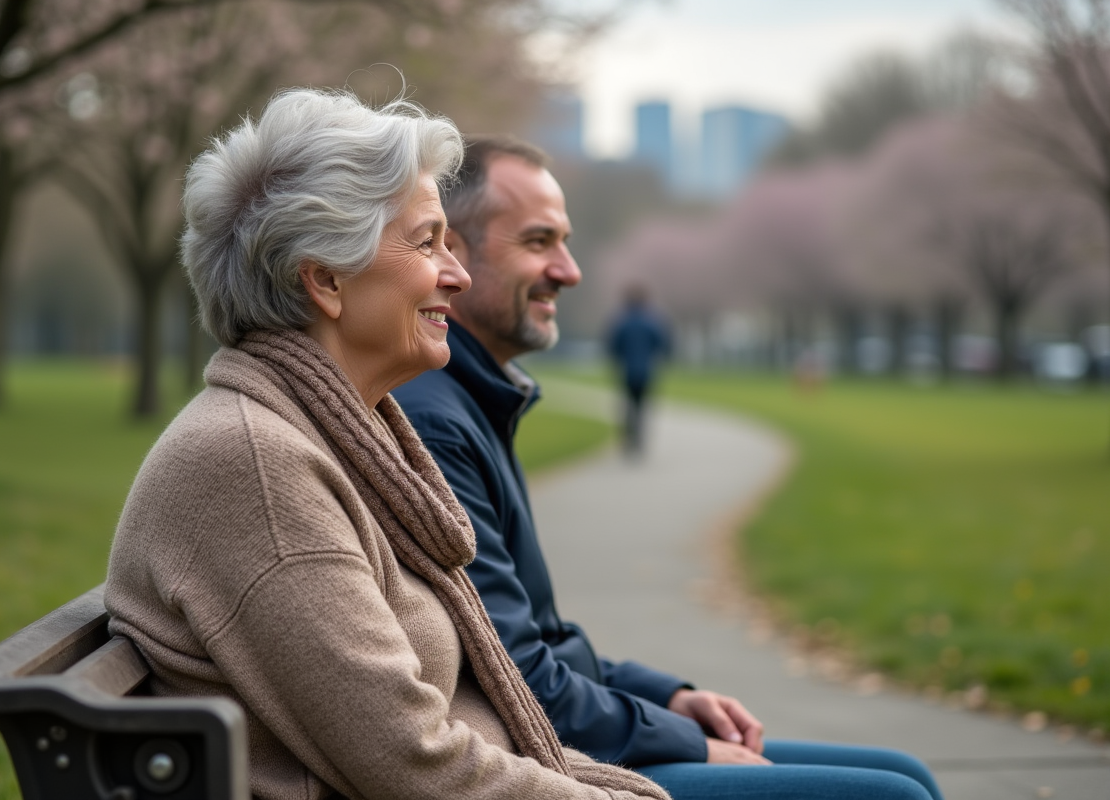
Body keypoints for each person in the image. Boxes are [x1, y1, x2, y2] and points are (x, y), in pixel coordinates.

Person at [104, 88, 673, 800]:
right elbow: (416, 767)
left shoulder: (323, 436)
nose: (457, 275)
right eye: (428, 241)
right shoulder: (255, 465)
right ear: (325, 280)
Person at [392, 136, 944, 800]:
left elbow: (544, 638)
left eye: (565, 242)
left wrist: (672, 698)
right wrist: (684, 743)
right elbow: (516, 676)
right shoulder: (435, 419)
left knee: (906, 773)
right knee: (897, 797)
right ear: (450, 250)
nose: (568, 270)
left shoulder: (472, 400)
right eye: (539, 242)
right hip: (540, 763)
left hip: (562, 732)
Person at [606, 284, 671, 454]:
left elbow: (613, 346)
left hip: (627, 371)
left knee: (627, 405)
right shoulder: (652, 321)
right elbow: (662, 344)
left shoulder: (622, 321)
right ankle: (639, 438)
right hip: (646, 371)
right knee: (641, 405)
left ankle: (629, 437)